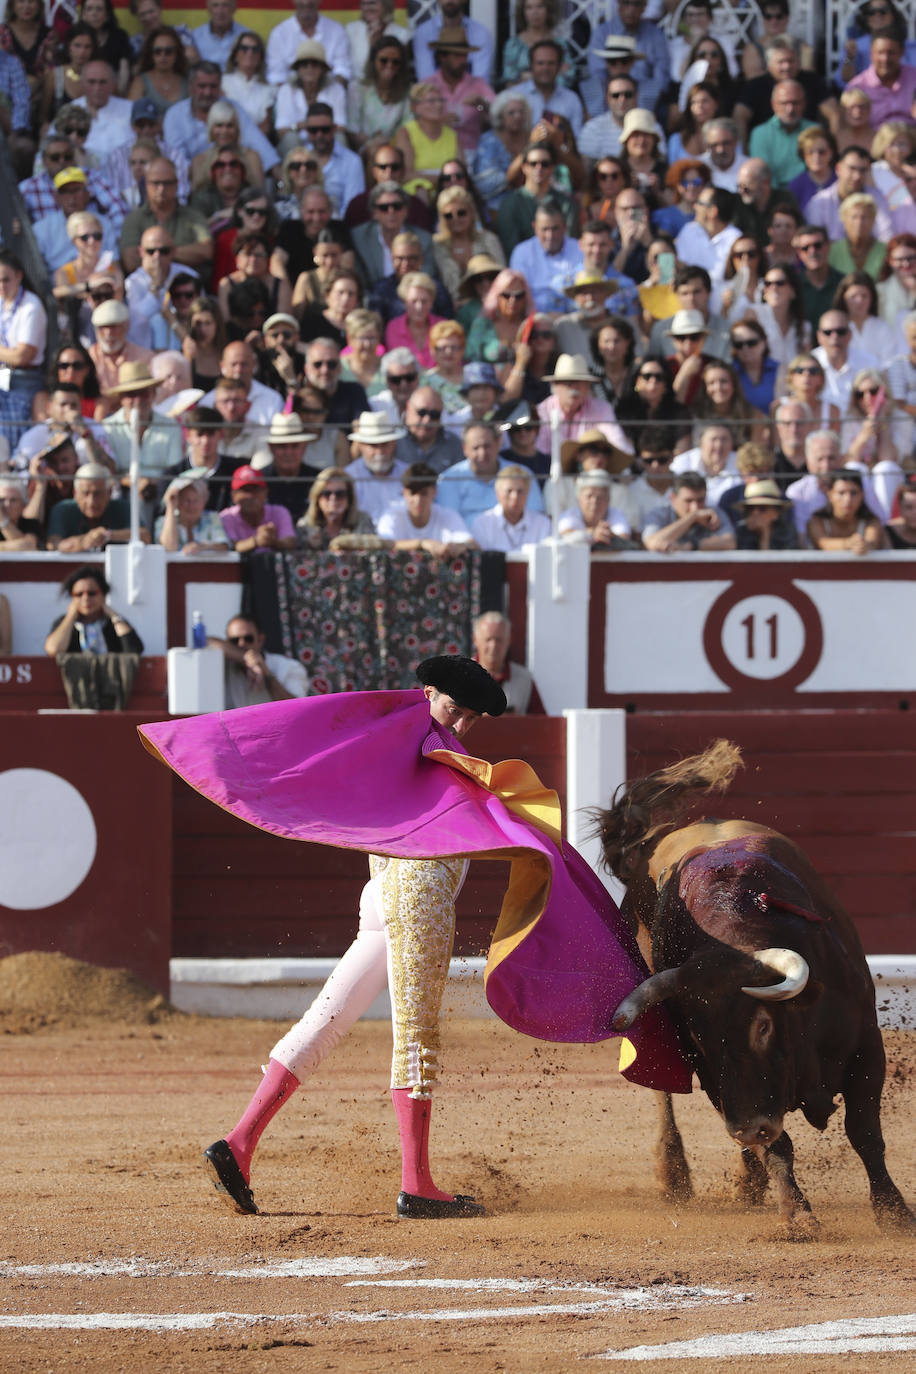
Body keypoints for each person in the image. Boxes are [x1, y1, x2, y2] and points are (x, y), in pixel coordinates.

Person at [0, 250, 48, 447]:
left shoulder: (32, 305)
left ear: (19, 276)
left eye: (6, 280)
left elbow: (23, 356)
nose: (1, 286)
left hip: (25, 382)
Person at [212, 612, 310, 708]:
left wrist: (266, 673)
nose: (241, 644)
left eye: (248, 639)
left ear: (260, 640)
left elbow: (297, 708)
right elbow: (208, 642)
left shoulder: (290, 667)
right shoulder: (226, 667)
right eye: (234, 641)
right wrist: (246, 658)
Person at [44, 563, 142, 657]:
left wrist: (113, 615)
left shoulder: (112, 623)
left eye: (91, 593)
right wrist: (70, 617)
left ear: (103, 595)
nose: (86, 598)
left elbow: (134, 651)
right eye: (79, 594)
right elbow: (53, 650)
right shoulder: (64, 623)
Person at [376, 460, 473, 554]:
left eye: (424, 493)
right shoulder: (391, 515)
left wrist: (458, 547)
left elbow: (472, 543)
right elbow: (383, 543)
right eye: (413, 493)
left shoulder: (448, 516)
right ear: (404, 492)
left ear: (434, 492)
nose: (418, 500)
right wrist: (421, 543)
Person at [45, 461, 135, 551]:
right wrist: (83, 542)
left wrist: (108, 535)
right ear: (75, 493)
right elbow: (53, 544)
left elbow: (144, 535)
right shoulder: (62, 509)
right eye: (85, 493)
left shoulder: (123, 507)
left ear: (110, 492)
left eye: (97, 493)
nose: (91, 502)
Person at [642, 470, 736, 552]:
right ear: (673, 498)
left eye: (700, 500)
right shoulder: (658, 514)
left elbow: (730, 543)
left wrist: (692, 546)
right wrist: (692, 517)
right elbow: (652, 543)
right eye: (688, 501)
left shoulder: (714, 513)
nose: (695, 507)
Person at [469, 464, 551, 551]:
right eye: (509, 491)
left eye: (520, 491)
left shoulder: (543, 524)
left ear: (528, 493)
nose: (514, 496)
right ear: (497, 493)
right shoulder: (482, 524)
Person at [807, 468, 889, 554]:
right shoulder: (816, 521)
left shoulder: (872, 521)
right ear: (830, 495)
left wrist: (865, 545)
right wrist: (849, 544)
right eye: (841, 493)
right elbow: (823, 543)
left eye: (853, 493)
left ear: (862, 495)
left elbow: (872, 542)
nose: (848, 499)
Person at [219, 464, 297, 553]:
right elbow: (229, 546)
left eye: (255, 490)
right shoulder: (227, 516)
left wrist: (273, 541)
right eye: (245, 490)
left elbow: (290, 542)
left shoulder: (280, 512)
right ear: (233, 496)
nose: (250, 496)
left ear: (266, 493)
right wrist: (256, 540)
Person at [346, 409, 407, 524]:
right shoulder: (348, 478)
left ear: (393, 443)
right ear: (360, 445)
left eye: (384, 444)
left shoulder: (409, 474)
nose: (380, 452)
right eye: (373, 446)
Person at [295, 463, 375, 548]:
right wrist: (309, 545)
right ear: (317, 498)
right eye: (326, 494)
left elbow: (373, 553)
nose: (333, 498)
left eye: (340, 494)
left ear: (349, 498)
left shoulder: (363, 521)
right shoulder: (305, 525)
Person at [155, 468, 229, 553]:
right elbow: (168, 548)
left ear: (204, 502)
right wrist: (170, 507)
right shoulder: (162, 522)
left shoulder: (212, 518)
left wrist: (203, 547)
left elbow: (224, 546)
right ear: (178, 502)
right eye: (186, 500)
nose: (191, 506)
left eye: (195, 501)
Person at [393, 385, 463, 472]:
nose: (427, 420)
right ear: (408, 408)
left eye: (434, 414)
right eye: (422, 412)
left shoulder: (454, 445)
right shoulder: (391, 442)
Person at [732, 478, 799, 551]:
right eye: (750, 508)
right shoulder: (742, 531)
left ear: (776, 512)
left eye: (762, 508)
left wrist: (765, 533)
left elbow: (784, 560)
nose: (755, 513)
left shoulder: (788, 531)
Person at [0, 474, 40, 551]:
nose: (7, 504)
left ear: (23, 504)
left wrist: (3, 520)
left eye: (13, 500)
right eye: (2, 500)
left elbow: (29, 546)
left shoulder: (31, 524)